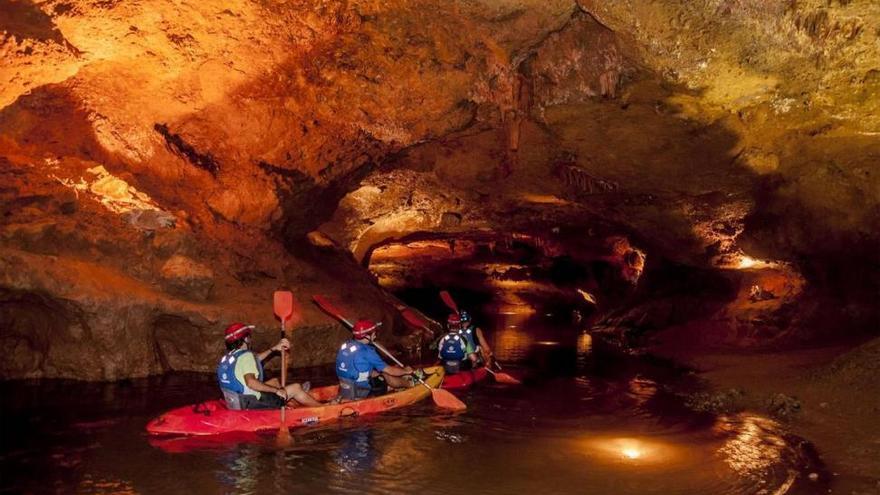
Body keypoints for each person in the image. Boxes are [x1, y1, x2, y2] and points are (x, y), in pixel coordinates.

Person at [216, 322, 322, 410]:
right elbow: (251, 383)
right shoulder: (246, 356)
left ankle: (290, 399)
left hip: (236, 401)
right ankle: (322, 407)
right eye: (249, 337)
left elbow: (254, 360)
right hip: (251, 403)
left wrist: (274, 348)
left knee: (274, 382)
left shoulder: (228, 358)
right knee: (296, 387)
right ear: (246, 339)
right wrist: (276, 391)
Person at [335, 319, 415, 401]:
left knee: (377, 372)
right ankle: (410, 384)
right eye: (374, 333)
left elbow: (358, 366)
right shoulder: (368, 352)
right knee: (385, 375)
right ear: (367, 336)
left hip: (346, 385)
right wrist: (405, 371)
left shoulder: (346, 345)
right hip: (361, 391)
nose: (375, 336)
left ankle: (390, 386)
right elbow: (390, 370)